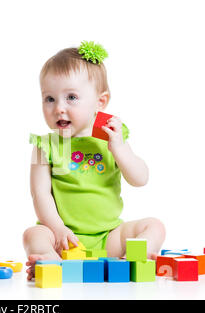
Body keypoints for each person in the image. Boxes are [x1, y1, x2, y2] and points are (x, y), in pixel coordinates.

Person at [23, 41, 165, 280]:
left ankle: (133, 257)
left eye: (71, 97)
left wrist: (119, 148)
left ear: (100, 102)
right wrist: (58, 230)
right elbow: (40, 195)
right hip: (65, 239)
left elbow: (140, 179)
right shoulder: (43, 145)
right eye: (49, 99)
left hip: (109, 236)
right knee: (32, 235)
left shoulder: (112, 138)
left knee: (155, 225)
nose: (59, 108)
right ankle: (51, 260)